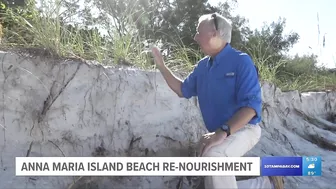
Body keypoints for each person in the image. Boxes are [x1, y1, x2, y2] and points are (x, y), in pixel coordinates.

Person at [151, 12, 262, 189]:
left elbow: (250, 108)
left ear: (214, 34)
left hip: (245, 129)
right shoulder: (203, 66)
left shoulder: (242, 62)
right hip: (220, 132)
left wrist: (222, 132)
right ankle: (264, 183)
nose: (195, 37)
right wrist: (162, 67)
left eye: (198, 31)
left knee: (215, 157)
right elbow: (182, 90)